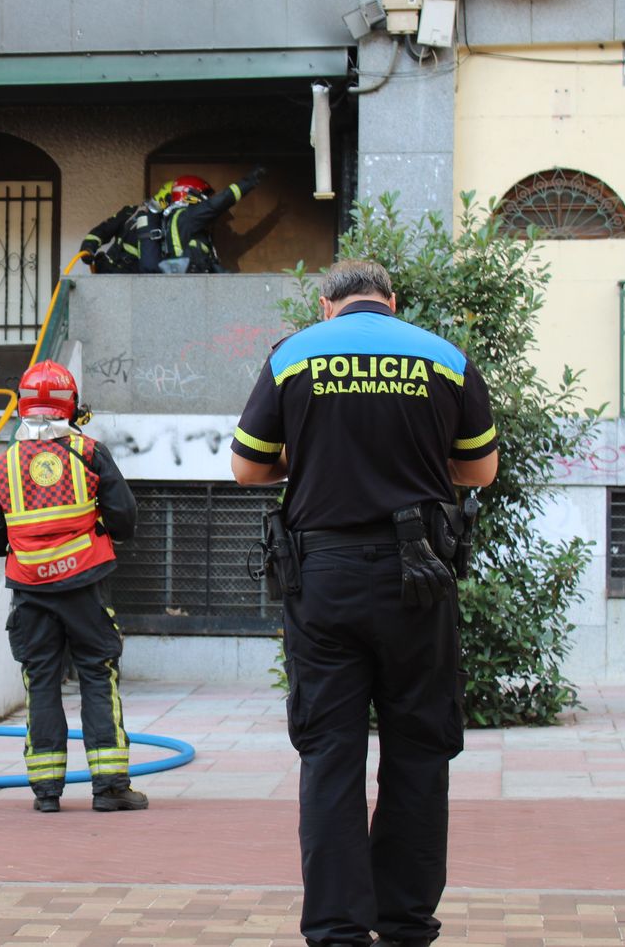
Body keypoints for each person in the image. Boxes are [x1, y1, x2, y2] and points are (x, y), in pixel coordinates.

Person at [230, 260, 498, 947]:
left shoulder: (292, 356)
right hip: (420, 578)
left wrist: (311, 459)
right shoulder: (442, 356)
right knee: (419, 751)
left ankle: (337, 930)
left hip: (324, 578)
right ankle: (406, 923)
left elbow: (248, 466)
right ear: (392, 303)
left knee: (331, 755)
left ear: (327, 306)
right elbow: (480, 470)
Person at [0, 359, 147, 814]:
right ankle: (110, 788)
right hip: (87, 587)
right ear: (72, 406)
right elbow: (125, 518)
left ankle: (46, 792)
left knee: (41, 682)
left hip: (31, 591)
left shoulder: (7, 461)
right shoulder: (88, 452)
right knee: (96, 675)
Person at [158, 166, 267, 274]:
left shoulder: (176, 216)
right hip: (189, 277)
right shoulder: (188, 215)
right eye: (205, 194)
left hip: (185, 276)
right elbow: (218, 202)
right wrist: (249, 181)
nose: (206, 198)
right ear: (190, 194)